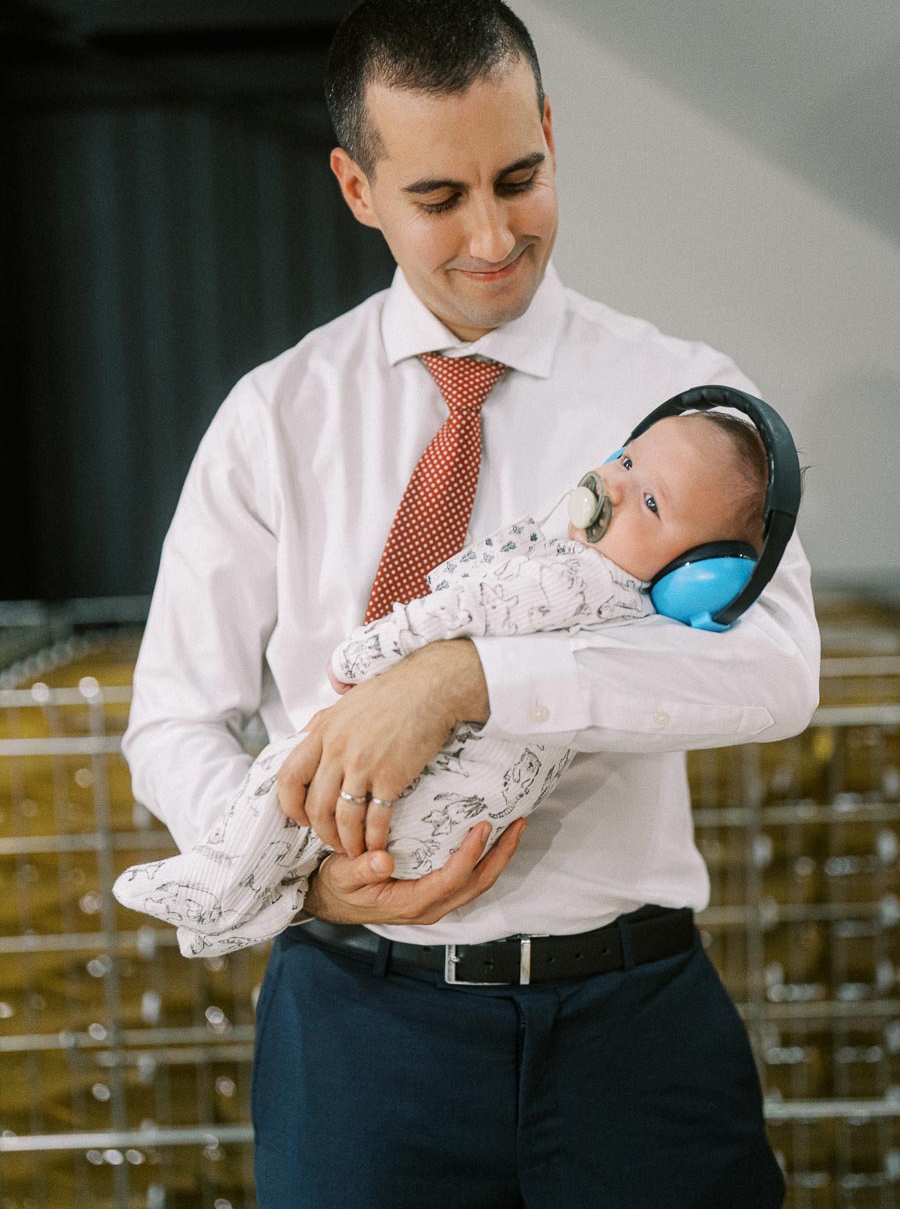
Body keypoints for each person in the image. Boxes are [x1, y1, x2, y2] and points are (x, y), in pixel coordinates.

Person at [122, 0, 819, 1209]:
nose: (493, 234)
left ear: (551, 129)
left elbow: (777, 673)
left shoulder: (684, 400)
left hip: (632, 1025)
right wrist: (304, 874)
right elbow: (171, 718)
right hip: (360, 1031)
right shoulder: (275, 419)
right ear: (356, 189)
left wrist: (466, 679)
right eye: (439, 199)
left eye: (519, 176)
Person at [115, 409, 769, 960]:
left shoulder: (569, 576)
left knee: (285, 767)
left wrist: (375, 655)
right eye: (624, 462)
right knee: (310, 794)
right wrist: (317, 898)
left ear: (698, 577)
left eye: (653, 503)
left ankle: (227, 879)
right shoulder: (268, 409)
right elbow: (174, 714)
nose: (614, 488)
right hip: (411, 890)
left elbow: (462, 609)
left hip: (606, 961)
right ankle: (246, 897)